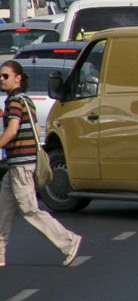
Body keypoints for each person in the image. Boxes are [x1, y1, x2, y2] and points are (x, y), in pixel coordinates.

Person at [0, 60, 82, 267]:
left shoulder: (14, 102)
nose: (1, 80)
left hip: (21, 164)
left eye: (5, 76)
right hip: (20, 164)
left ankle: (69, 241)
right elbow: (36, 130)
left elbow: (12, 130)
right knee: (4, 208)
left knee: (29, 210)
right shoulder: (26, 100)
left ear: (17, 78)